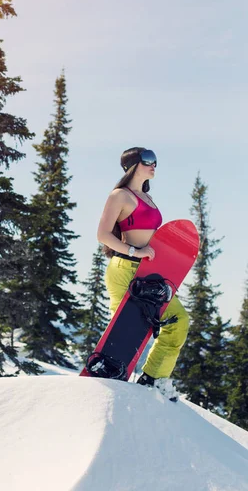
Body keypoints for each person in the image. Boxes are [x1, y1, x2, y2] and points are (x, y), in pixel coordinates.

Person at [97, 146, 189, 387]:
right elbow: (103, 234)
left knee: (177, 321)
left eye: (155, 160)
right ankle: (107, 384)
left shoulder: (147, 197)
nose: (153, 164)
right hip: (125, 269)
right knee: (124, 331)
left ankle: (152, 379)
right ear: (132, 165)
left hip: (146, 273)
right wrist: (133, 251)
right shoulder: (119, 195)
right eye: (148, 160)